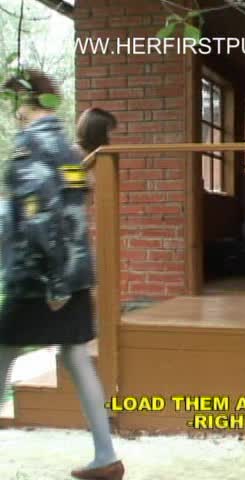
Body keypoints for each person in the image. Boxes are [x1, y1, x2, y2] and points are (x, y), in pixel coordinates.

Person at [0, 70, 124, 480]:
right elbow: (73, 207)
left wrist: (54, 282)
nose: (14, 112)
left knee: (3, 352)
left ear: (26, 105)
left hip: (38, 278)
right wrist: (68, 278)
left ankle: (106, 457)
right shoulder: (70, 154)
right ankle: (106, 456)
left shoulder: (30, 150)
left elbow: (42, 218)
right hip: (72, 273)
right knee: (75, 355)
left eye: (15, 103)